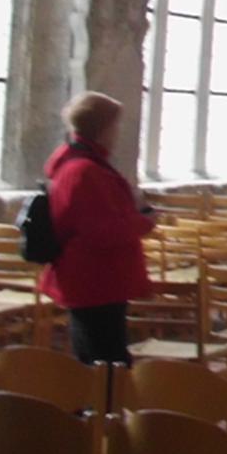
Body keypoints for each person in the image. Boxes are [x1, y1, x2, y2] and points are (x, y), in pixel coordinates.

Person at [39, 92, 155, 365]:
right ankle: (102, 395)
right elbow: (101, 231)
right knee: (106, 361)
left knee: (96, 355)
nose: (118, 132)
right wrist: (144, 220)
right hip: (96, 279)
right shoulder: (86, 171)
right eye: (115, 125)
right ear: (104, 128)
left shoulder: (77, 166)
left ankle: (97, 393)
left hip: (92, 278)